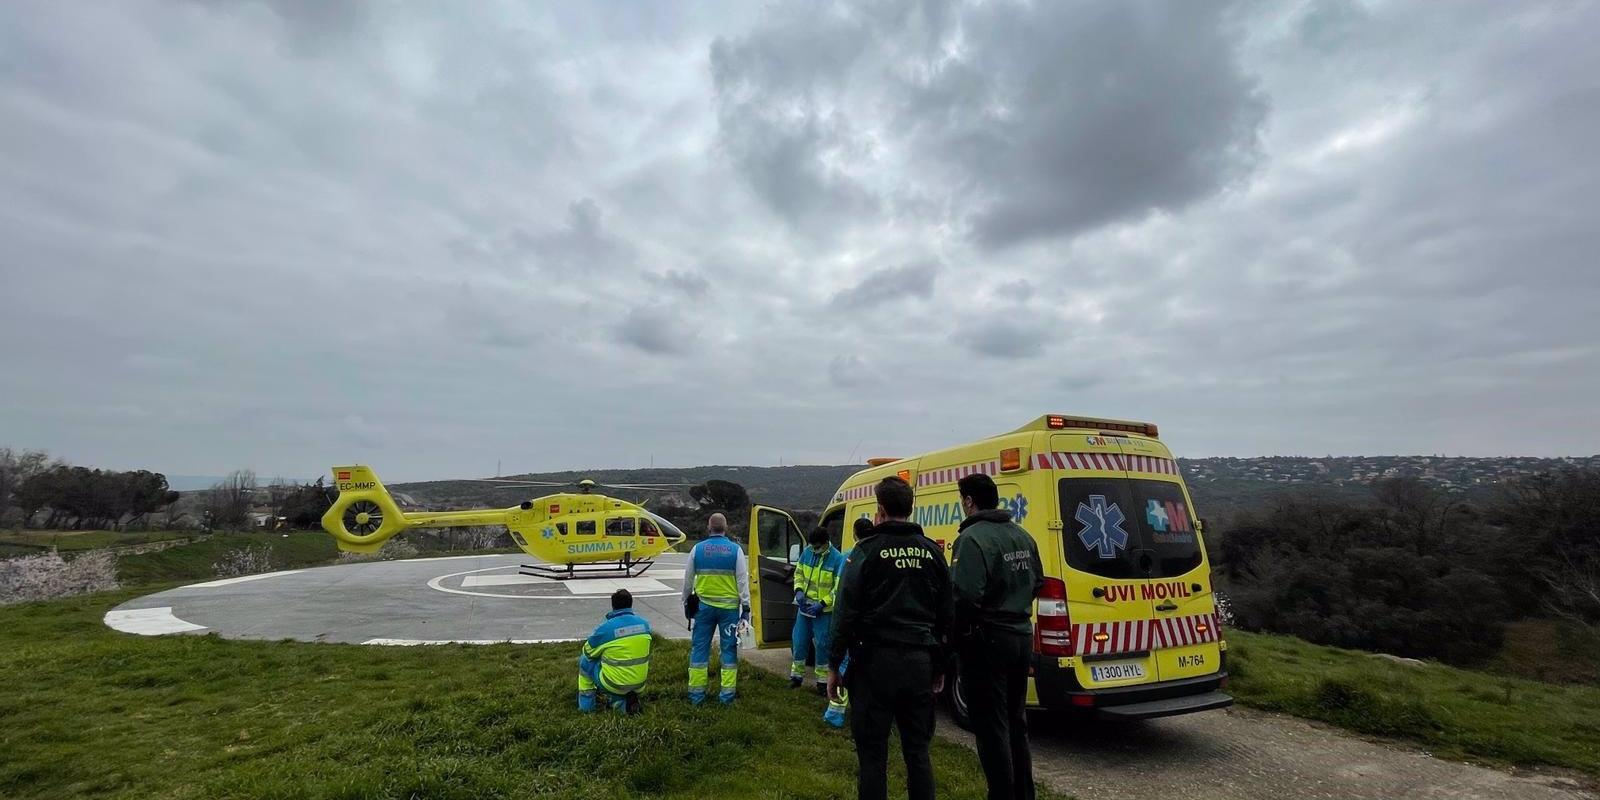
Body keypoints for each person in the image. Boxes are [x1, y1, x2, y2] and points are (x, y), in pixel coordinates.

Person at [827, 477, 952, 800]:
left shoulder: (866, 551)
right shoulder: (932, 553)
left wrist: (833, 664)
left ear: (879, 510)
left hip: (874, 665)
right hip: (919, 664)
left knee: (872, 756)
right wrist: (940, 665)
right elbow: (946, 616)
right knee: (918, 753)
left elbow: (845, 612)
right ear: (910, 509)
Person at [951, 474, 1045, 800]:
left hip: (988, 640)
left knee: (991, 728)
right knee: (1016, 722)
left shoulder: (973, 538)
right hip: (1021, 636)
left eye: (961, 499)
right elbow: (1038, 582)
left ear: (969, 501)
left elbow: (963, 596)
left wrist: (958, 634)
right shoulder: (1022, 535)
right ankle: (1024, 793)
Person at [681, 512, 751, 705]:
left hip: (703, 609)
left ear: (708, 527)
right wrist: (746, 607)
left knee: (699, 650)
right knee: (729, 651)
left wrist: (686, 601)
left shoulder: (697, 549)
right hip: (729, 610)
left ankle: (696, 696)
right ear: (725, 528)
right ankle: (727, 697)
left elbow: (687, 580)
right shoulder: (735, 550)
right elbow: (742, 581)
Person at [822, 516, 878, 728]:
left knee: (843, 667)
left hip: (851, 622)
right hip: (873, 625)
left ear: (854, 534)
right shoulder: (879, 556)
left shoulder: (849, 558)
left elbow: (841, 594)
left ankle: (835, 713)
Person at [577, 589, 653, 715]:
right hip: (640, 684)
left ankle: (586, 707)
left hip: (614, 684)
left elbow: (587, 652)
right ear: (631, 604)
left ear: (613, 606)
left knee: (585, 662)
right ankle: (622, 704)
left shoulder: (605, 629)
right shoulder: (644, 624)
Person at [790, 526, 846, 693]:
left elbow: (837, 588)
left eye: (817, 547)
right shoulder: (807, 553)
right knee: (799, 643)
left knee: (822, 646)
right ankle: (796, 677)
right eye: (812, 546)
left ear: (826, 543)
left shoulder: (837, 559)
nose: (814, 550)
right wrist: (798, 591)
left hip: (823, 612)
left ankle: (822, 682)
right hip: (804, 608)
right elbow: (798, 573)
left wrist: (822, 603)